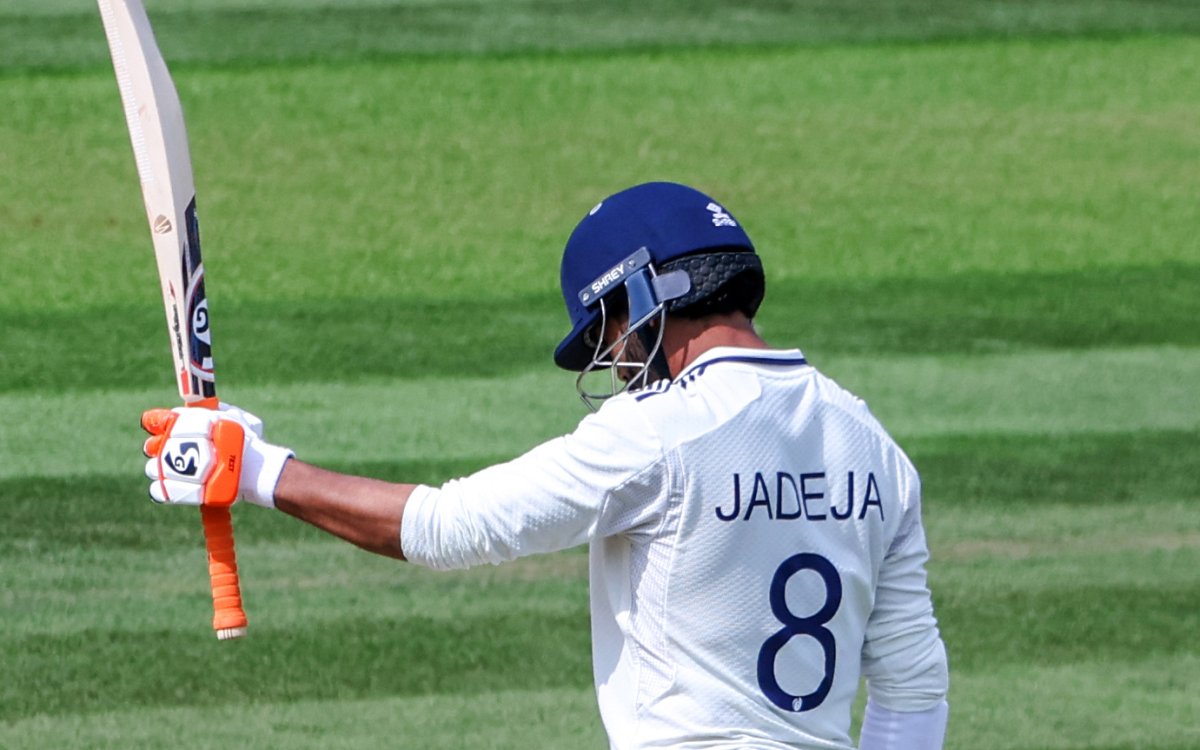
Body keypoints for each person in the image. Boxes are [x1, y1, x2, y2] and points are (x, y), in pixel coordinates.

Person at [142, 181, 949, 750]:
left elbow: (446, 528)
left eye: (608, 329)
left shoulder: (658, 430)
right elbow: (912, 694)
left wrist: (254, 470)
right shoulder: (872, 444)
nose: (615, 359)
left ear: (645, 294)